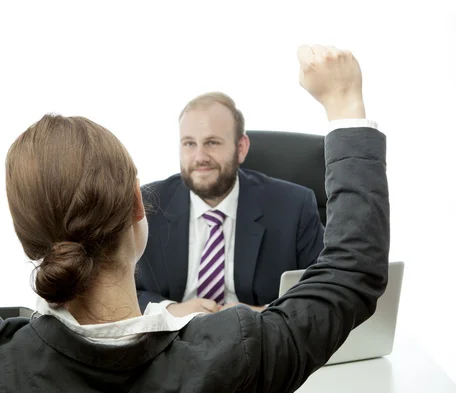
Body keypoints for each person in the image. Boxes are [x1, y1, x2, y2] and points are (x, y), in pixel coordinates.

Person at [0, 45, 389, 393]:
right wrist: (344, 103)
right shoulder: (237, 356)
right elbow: (351, 273)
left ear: (26, 234)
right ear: (140, 208)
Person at [135, 89, 326, 316]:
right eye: (189, 144)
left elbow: (322, 290)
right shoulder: (147, 205)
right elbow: (117, 289)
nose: (200, 157)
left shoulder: (294, 206)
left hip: (259, 340)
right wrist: (170, 310)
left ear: (241, 148)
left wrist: (263, 314)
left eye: (212, 143)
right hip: (174, 340)